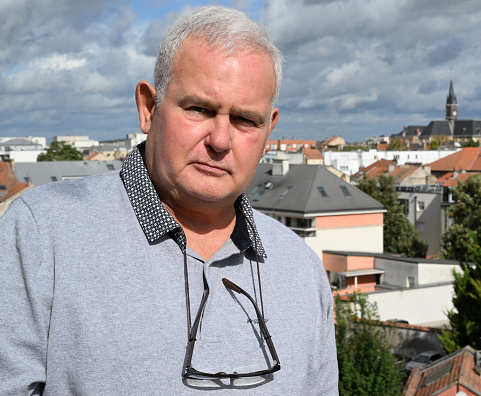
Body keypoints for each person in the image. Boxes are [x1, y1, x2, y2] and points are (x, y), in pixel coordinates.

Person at [0, 6, 338, 395]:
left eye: (245, 119)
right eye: (199, 109)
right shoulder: (42, 234)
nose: (220, 141)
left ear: (269, 130)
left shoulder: (301, 269)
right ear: (148, 108)